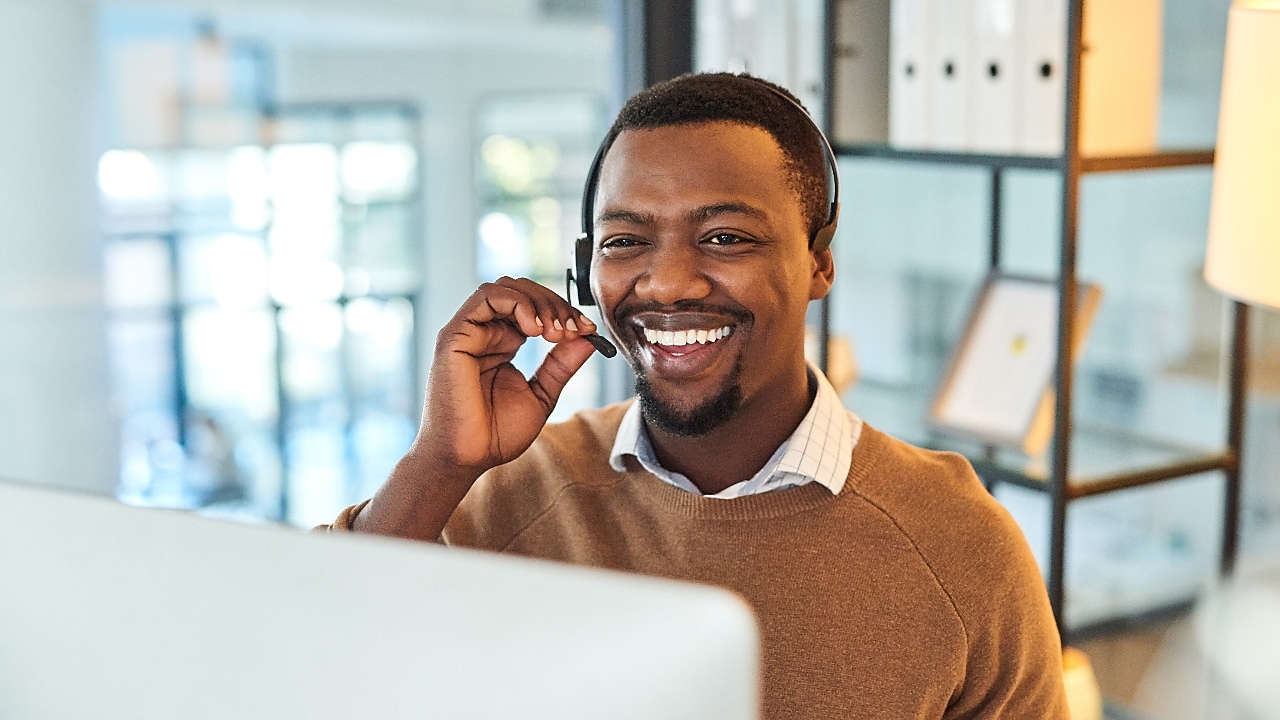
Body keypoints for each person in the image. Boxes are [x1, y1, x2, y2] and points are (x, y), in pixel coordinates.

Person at [320, 73, 1069, 719]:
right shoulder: (508, 493)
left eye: (725, 238)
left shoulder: (960, 544)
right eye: (625, 241)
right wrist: (441, 462)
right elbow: (316, 669)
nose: (669, 284)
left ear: (818, 264)